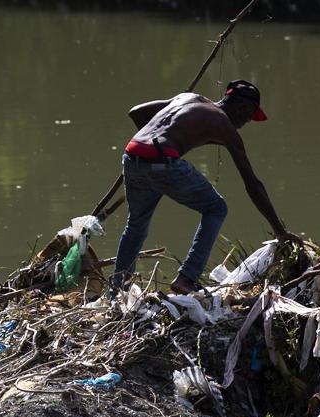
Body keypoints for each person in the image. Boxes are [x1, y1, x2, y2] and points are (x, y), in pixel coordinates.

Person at [112, 79, 301, 294]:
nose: (246, 122)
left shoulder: (188, 98)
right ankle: (186, 278)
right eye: (249, 116)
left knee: (135, 225)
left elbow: (136, 112)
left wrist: (164, 144)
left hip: (132, 156)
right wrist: (279, 230)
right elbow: (252, 184)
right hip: (163, 161)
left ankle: (117, 293)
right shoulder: (223, 125)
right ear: (242, 107)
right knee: (216, 208)